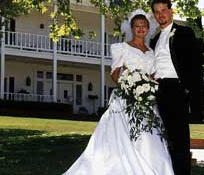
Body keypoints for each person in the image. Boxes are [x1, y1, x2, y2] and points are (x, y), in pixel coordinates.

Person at [63, 14, 174, 175]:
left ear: (148, 28)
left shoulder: (151, 52)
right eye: (137, 25)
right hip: (126, 99)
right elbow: (114, 73)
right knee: (122, 136)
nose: (141, 28)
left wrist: (149, 88)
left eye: (144, 25)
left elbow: (153, 76)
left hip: (147, 101)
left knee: (150, 136)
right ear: (132, 28)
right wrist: (129, 87)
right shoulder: (121, 48)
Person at [149, 0, 204, 175]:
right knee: (164, 139)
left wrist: (196, 98)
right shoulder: (154, 39)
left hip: (177, 89)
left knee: (180, 139)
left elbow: (196, 66)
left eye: (164, 10)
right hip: (159, 90)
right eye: (157, 12)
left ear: (171, 11)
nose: (161, 15)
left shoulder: (184, 33)